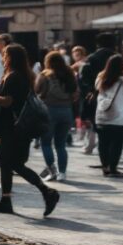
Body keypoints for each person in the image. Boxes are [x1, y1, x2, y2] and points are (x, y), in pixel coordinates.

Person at [0, 44, 60, 216]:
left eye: (5, 55)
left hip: (12, 128)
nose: (3, 58)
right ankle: (13, 198)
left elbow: (7, 101)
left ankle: (36, 194)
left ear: (10, 58)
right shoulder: (25, 75)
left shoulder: (14, 77)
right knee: (14, 164)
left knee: (7, 163)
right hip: (21, 127)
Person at [37, 50, 78, 182]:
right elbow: (75, 93)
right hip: (66, 111)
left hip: (48, 111)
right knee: (61, 145)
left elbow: (36, 90)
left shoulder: (44, 75)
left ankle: (52, 170)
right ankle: (63, 173)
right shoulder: (69, 74)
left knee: (46, 143)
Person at [80, 33, 117, 155]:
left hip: (97, 95)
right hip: (117, 96)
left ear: (98, 43)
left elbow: (84, 77)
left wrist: (90, 90)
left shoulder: (92, 57)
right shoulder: (118, 57)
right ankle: (112, 158)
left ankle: (105, 159)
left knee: (100, 128)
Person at [93, 55, 123, 176]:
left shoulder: (100, 78)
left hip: (102, 116)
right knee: (117, 143)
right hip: (121, 118)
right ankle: (113, 168)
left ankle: (105, 167)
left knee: (103, 143)